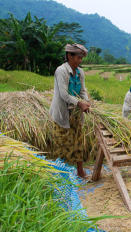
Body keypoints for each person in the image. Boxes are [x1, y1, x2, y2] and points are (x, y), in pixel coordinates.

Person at [49, 43, 90, 178]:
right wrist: (79, 103)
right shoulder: (61, 71)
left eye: (81, 58)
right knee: (62, 144)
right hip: (62, 113)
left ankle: (80, 170)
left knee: (78, 142)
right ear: (69, 56)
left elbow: (83, 90)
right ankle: (61, 174)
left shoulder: (80, 72)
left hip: (76, 113)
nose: (80, 61)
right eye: (78, 57)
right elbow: (63, 94)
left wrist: (87, 101)